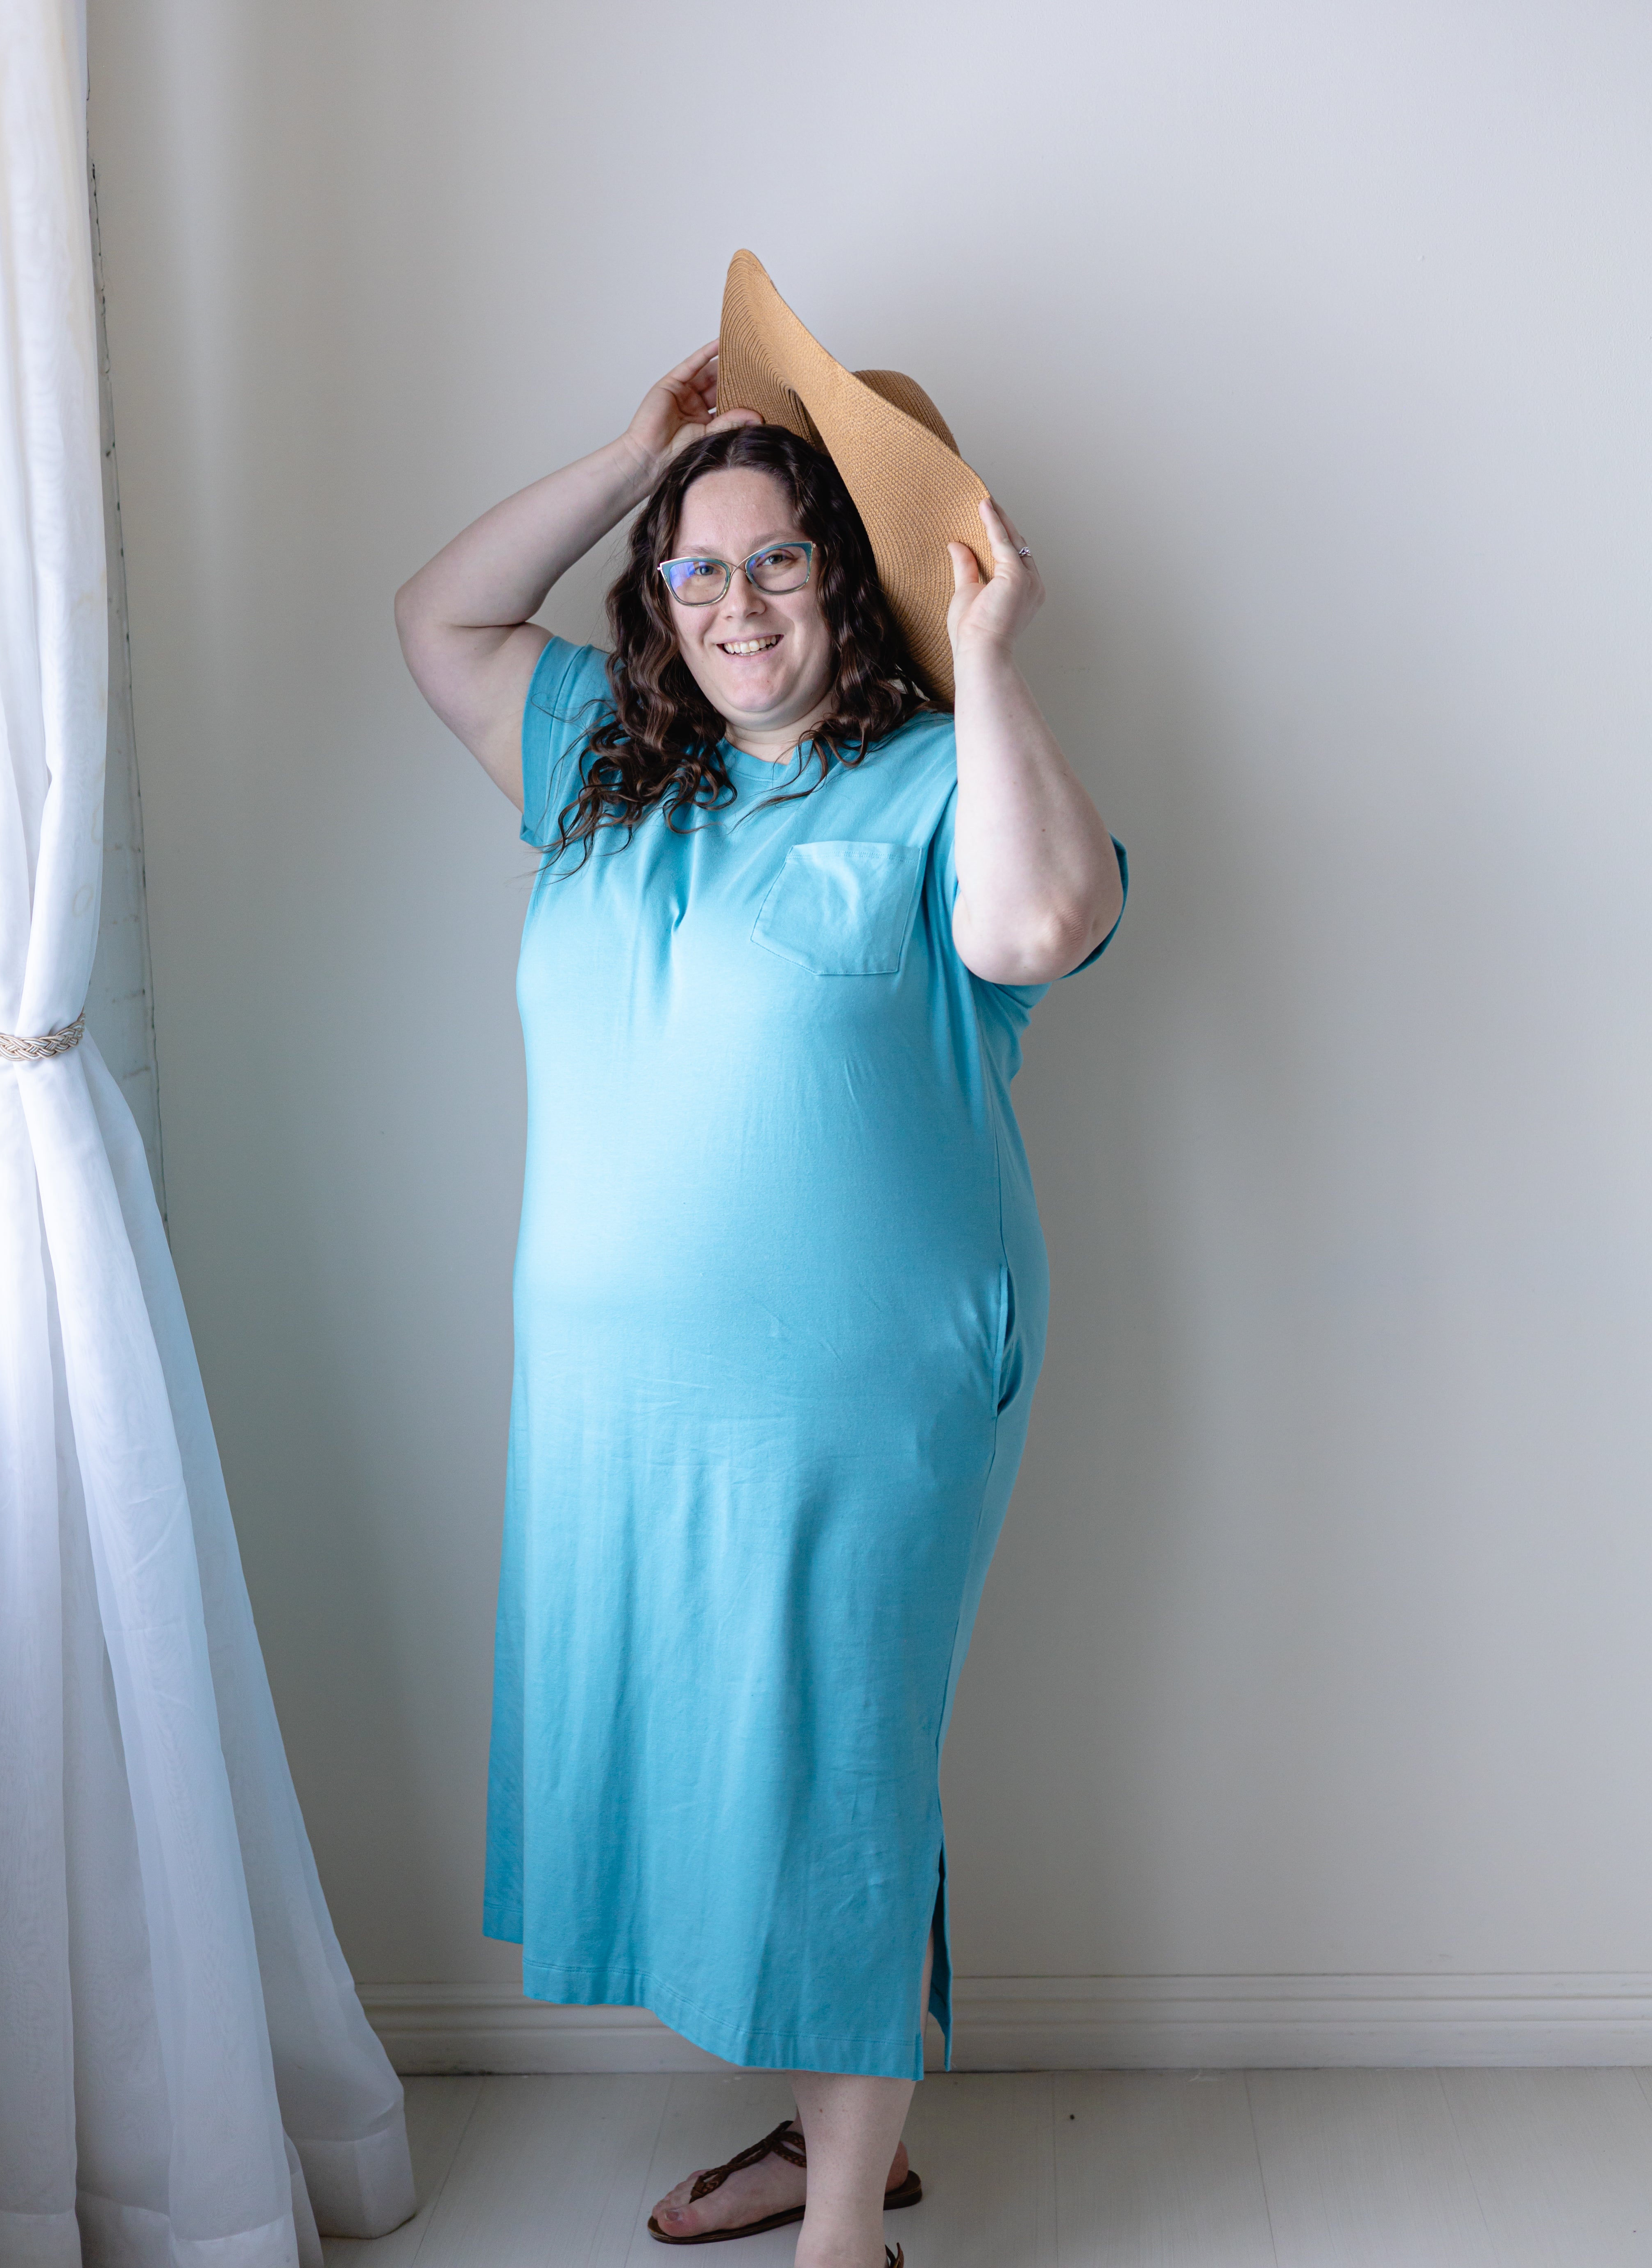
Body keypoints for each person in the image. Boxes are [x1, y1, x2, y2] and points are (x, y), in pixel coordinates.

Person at [395, 317, 1125, 2268]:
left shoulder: (934, 778)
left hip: (863, 1385)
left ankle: (841, 2238)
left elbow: (1038, 924)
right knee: (731, 1765)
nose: (731, 603)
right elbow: (436, 624)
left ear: (852, 579)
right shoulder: (605, 767)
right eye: (694, 567)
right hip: (621, 1406)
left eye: (777, 560)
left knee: (832, 1759)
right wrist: (630, 462)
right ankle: (837, 2140)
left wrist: (985, 657)